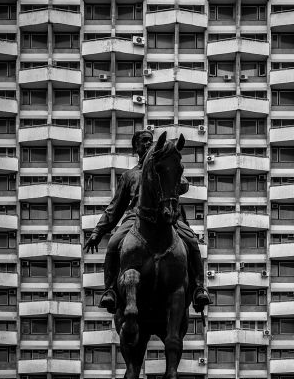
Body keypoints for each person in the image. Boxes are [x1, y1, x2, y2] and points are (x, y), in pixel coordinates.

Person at [84, 130, 210, 314]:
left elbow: (183, 185)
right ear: (135, 147)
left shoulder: (164, 165)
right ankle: (110, 290)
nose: (147, 143)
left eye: (150, 141)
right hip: (135, 218)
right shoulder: (129, 176)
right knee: (113, 243)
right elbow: (116, 206)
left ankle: (199, 288)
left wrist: (170, 173)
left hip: (167, 218)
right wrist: (98, 232)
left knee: (191, 241)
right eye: (143, 141)